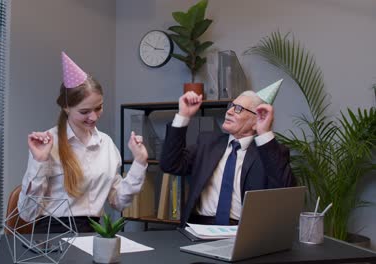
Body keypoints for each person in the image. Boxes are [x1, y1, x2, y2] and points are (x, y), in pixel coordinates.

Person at [18, 52, 148, 233]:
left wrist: (139, 162)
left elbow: (119, 202)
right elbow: (27, 213)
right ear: (66, 107)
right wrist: (39, 161)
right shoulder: (48, 143)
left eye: (98, 107)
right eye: (85, 111)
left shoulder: (107, 144)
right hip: (52, 235)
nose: (93, 117)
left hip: (92, 233)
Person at [160, 80, 296, 227]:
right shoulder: (207, 143)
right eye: (231, 106)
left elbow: (285, 192)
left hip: (243, 230)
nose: (229, 111)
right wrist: (183, 116)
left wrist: (264, 132)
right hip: (200, 226)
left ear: (256, 120)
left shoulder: (269, 152)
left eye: (238, 109)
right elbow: (170, 164)